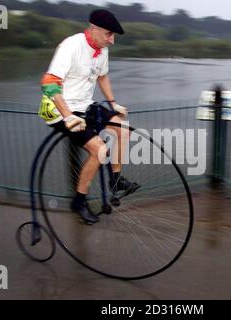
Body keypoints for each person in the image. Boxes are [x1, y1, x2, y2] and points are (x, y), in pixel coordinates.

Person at [39, 9, 139, 225]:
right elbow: (49, 82)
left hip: (85, 105)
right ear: (94, 29)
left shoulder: (101, 49)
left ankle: (115, 180)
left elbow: (102, 76)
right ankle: (79, 201)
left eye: (113, 36)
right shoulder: (71, 46)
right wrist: (67, 116)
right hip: (61, 109)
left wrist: (113, 103)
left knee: (122, 129)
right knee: (100, 150)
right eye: (108, 34)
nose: (111, 41)